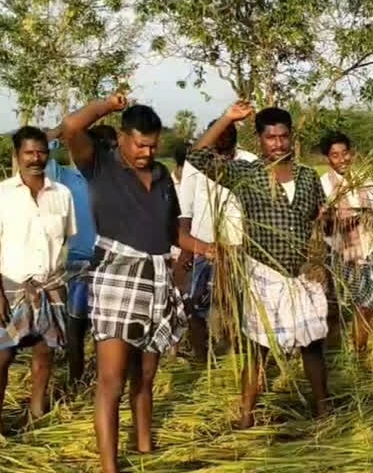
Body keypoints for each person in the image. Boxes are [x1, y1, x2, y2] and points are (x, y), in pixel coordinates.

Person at [60, 95, 214, 473]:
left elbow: (171, 232)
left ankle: (146, 449)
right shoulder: (99, 164)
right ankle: (110, 467)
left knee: (145, 375)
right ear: (123, 138)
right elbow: (70, 127)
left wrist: (207, 248)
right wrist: (107, 104)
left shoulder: (161, 176)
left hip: (157, 280)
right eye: (140, 144)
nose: (147, 151)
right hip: (116, 277)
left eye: (153, 144)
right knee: (111, 379)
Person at [187, 102, 329, 428]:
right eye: (270, 138)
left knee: (313, 345)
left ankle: (323, 411)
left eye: (283, 136)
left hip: (301, 273)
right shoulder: (246, 175)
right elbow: (197, 156)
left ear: (292, 138)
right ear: (259, 140)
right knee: (258, 347)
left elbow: (317, 218)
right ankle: (246, 415)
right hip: (263, 273)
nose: (278, 143)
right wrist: (228, 118)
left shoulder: (308, 177)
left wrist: (325, 221)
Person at [0, 126, 76, 432]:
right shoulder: (3, 194)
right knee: (2, 358)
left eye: (41, 151)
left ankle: (36, 414)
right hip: (10, 287)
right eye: (29, 152)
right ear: (17, 156)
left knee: (45, 356)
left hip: (51, 287)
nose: (36, 158)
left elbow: (66, 242)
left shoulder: (62, 195)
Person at [177, 119, 258, 360]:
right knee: (195, 304)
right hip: (204, 247)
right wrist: (186, 249)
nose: (222, 139)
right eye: (217, 134)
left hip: (240, 247)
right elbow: (185, 210)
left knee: (239, 304)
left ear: (235, 136)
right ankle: (201, 356)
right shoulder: (196, 165)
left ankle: (241, 355)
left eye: (227, 133)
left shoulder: (251, 162)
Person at [44, 125, 117, 384]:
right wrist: (62, 133)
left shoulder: (115, 179)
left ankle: (104, 380)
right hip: (78, 262)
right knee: (76, 325)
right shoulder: (63, 177)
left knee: (106, 329)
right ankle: (76, 380)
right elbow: (42, 151)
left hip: (111, 263)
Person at [319, 132, 373, 353]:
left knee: (367, 303)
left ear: (352, 153)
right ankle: (332, 351)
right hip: (337, 253)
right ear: (328, 159)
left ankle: (360, 348)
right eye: (335, 155)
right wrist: (348, 218)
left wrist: (367, 215)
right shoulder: (323, 184)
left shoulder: (364, 179)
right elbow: (324, 223)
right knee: (335, 307)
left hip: (366, 249)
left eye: (345, 153)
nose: (342, 159)